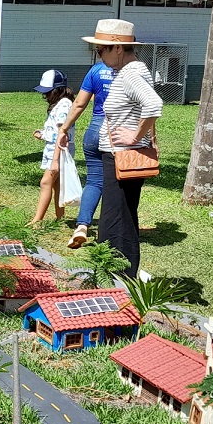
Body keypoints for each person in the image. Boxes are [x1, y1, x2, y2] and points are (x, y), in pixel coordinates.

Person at [81, 19, 162, 279]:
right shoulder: (132, 71)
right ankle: (122, 274)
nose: (99, 55)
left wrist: (134, 135)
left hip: (121, 157)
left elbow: (153, 104)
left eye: (101, 49)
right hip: (122, 156)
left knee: (113, 221)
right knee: (122, 217)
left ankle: (115, 277)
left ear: (117, 48)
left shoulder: (130, 73)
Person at [58, 59, 116, 248]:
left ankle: (82, 226)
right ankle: (112, 231)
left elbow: (79, 104)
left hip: (94, 131)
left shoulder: (96, 70)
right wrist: (153, 139)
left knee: (94, 181)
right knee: (118, 185)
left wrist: (63, 130)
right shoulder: (130, 70)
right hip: (117, 134)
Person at [29, 70, 78, 226]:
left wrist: (55, 160)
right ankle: (60, 219)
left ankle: (37, 220)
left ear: (57, 89)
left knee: (45, 183)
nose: (45, 96)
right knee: (56, 185)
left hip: (58, 151)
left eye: (48, 92)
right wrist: (43, 134)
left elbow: (62, 133)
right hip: (54, 149)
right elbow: (56, 130)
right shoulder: (61, 103)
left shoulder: (64, 104)